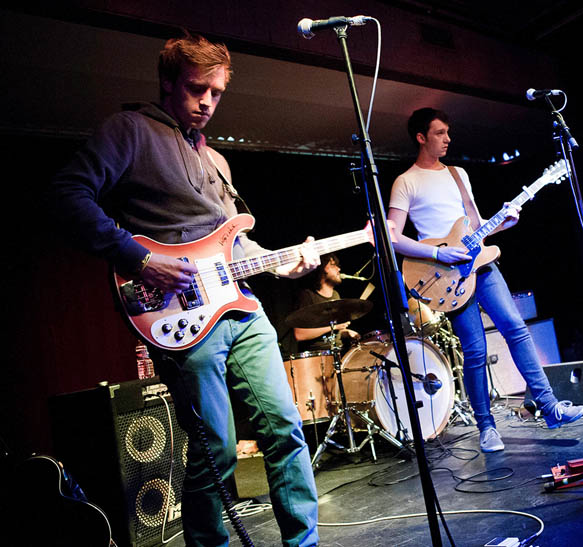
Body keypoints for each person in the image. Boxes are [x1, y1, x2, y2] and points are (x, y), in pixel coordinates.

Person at [49, 32, 319, 546]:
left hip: (241, 309)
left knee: (286, 428)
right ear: (169, 82)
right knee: (215, 450)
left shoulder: (217, 160)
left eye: (217, 93)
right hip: (181, 316)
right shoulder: (129, 130)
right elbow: (66, 195)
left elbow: (231, 241)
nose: (208, 103)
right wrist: (139, 258)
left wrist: (283, 266)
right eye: (198, 89)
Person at [387, 107, 583, 453]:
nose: (448, 138)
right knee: (475, 351)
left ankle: (550, 406)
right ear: (421, 137)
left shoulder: (457, 174)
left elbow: (477, 223)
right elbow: (392, 237)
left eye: (448, 132)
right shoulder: (405, 181)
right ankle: (486, 427)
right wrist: (438, 254)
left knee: (516, 327)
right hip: (446, 276)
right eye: (439, 133)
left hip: (480, 264)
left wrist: (506, 222)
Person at [293, 253, 360, 352]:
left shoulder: (336, 295)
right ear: (322, 269)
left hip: (338, 352)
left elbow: (335, 333)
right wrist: (334, 326)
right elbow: (299, 334)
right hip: (317, 356)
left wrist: (346, 332)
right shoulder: (307, 296)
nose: (338, 269)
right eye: (333, 265)